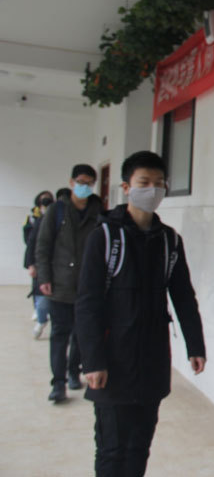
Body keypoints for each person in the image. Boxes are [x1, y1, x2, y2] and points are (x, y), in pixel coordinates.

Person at [75, 151, 206, 477]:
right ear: (126, 187)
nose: (153, 190)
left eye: (159, 183)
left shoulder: (169, 241)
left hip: (152, 361)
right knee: (112, 449)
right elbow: (88, 303)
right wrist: (93, 360)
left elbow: (183, 297)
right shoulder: (104, 237)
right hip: (112, 360)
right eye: (144, 183)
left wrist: (196, 345)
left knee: (139, 445)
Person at [36, 166, 103, 402]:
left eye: (89, 182)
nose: (85, 186)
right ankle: (58, 383)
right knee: (59, 335)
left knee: (81, 335)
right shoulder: (56, 211)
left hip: (88, 287)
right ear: (72, 182)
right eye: (81, 181)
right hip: (60, 285)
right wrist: (44, 277)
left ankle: (74, 372)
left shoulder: (99, 212)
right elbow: (43, 246)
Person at [24, 191, 55, 338]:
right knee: (41, 298)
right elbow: (30, 242)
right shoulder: (36, 218)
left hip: (59, 267)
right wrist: (31, 264)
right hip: (41, 264)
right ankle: (41, 319)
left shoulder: (61, 219)